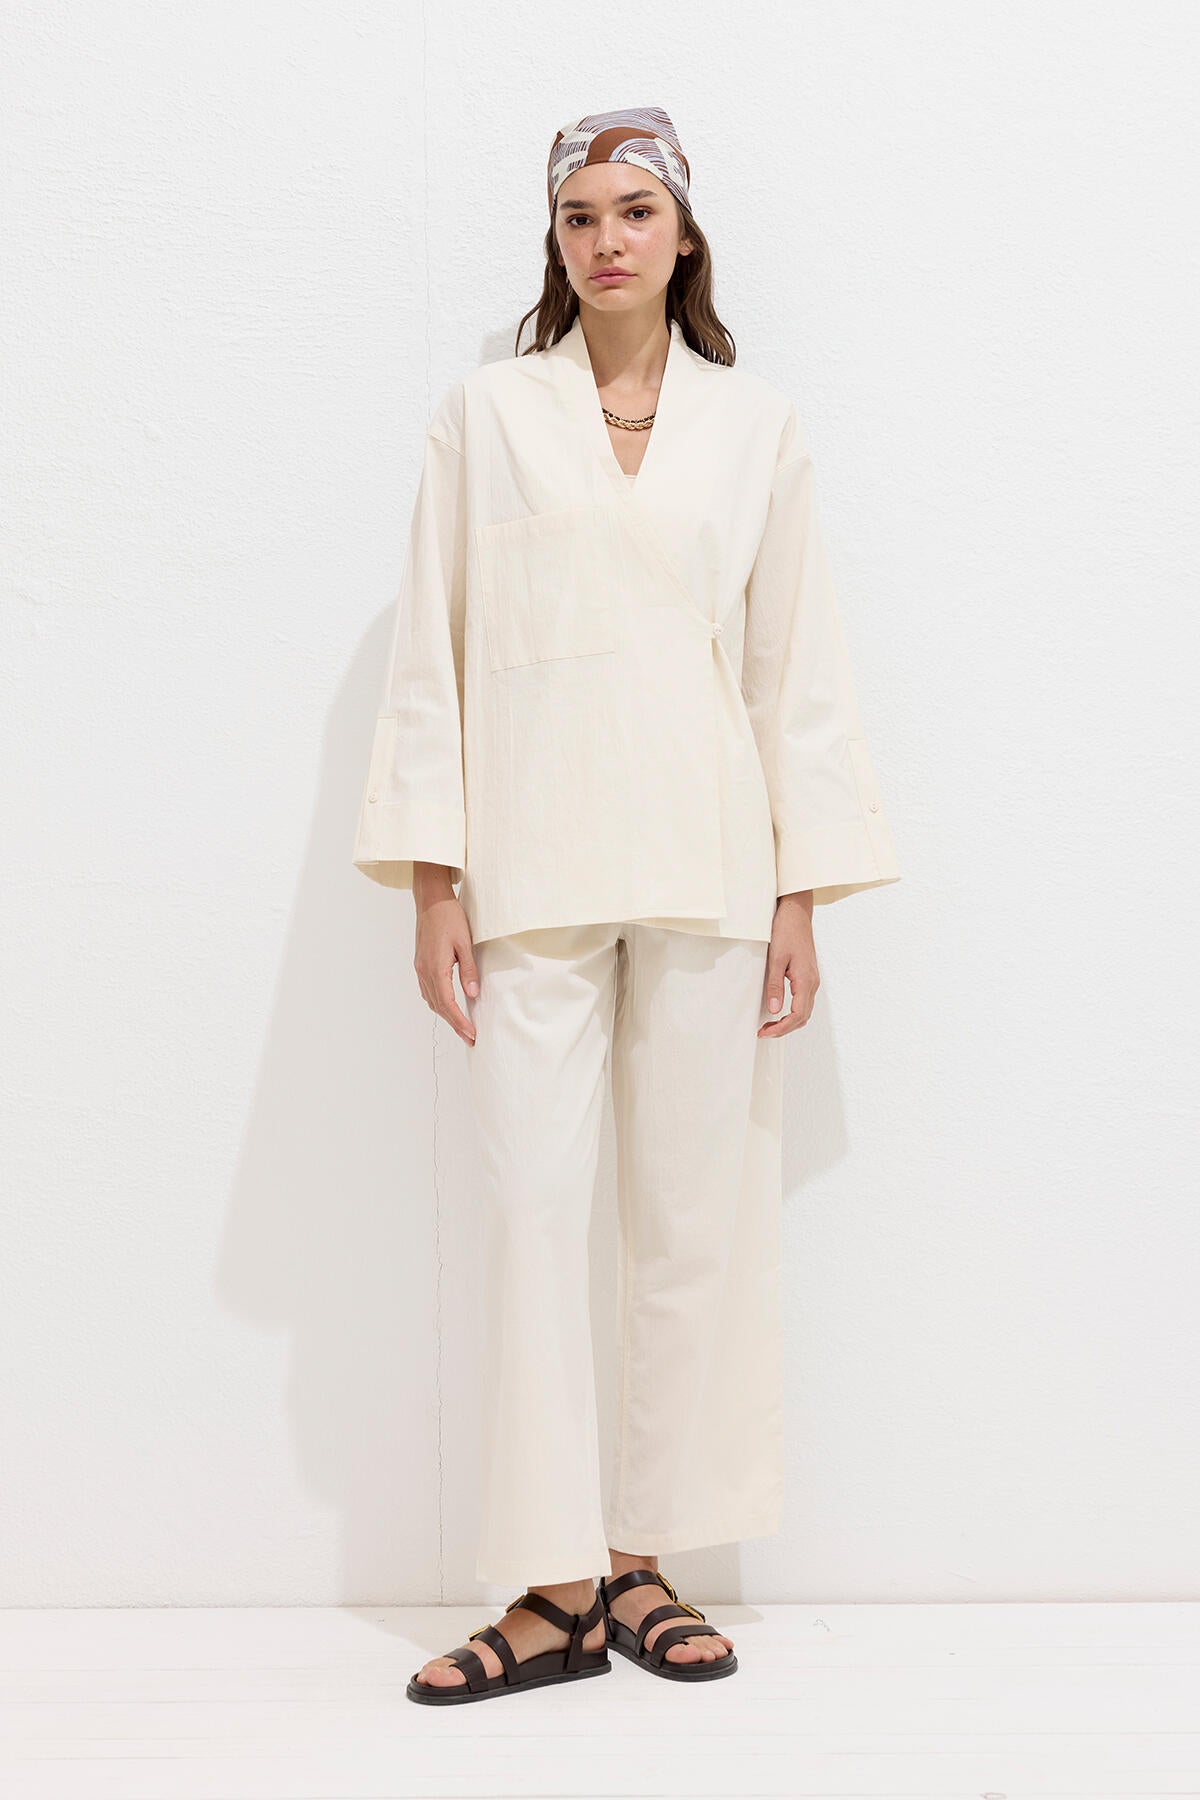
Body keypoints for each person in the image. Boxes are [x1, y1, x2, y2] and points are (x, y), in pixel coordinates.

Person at [352, 107, 901, 1705]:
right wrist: (433, 882)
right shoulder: (487, 416)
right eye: (581, 214)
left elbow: (797, 666)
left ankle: (648, 1559)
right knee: (532, 1214)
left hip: (712, 866)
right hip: (531, 870)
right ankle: (551, 1585)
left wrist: (802, 892)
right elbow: (433, 650)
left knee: (693, 1224)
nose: (608, 238)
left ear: (683, 236)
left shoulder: (758, 427)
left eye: (636, 210)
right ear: (557, 239)